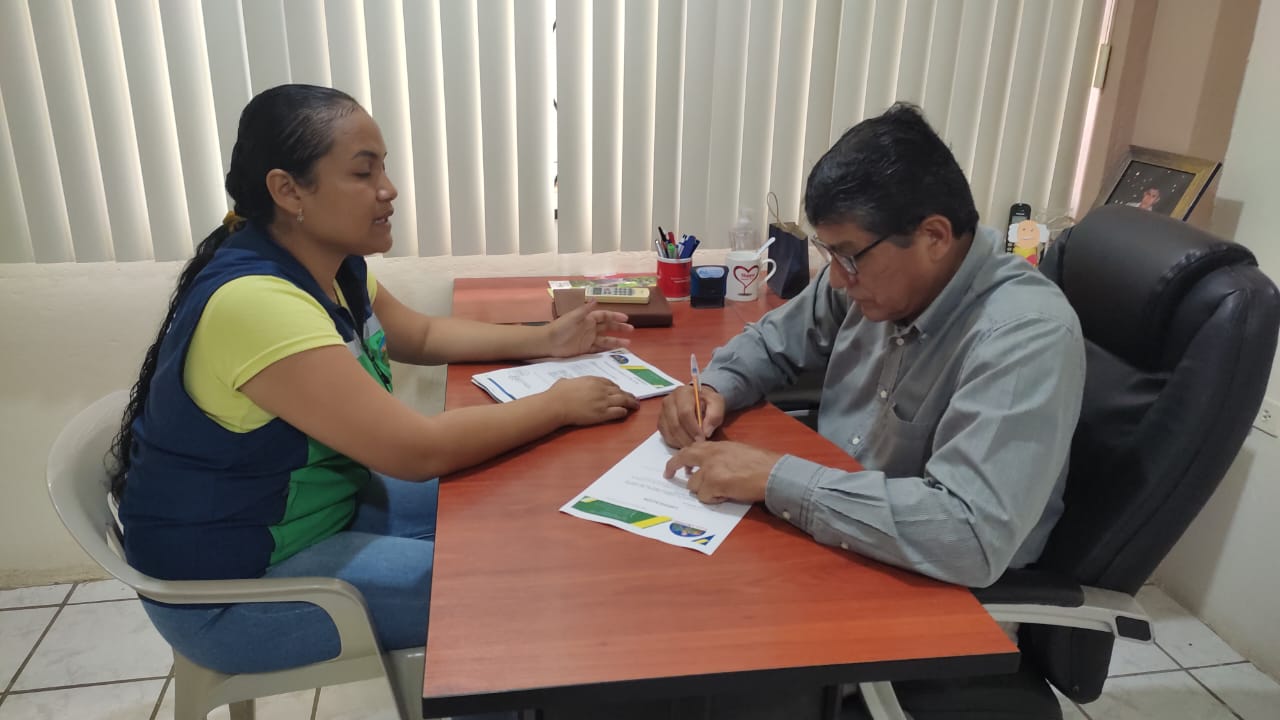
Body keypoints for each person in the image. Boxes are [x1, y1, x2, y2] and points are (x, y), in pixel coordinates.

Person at [109, 84, 640, 678]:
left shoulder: (331, 265)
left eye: (383, 167)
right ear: (288, 191)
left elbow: (422, 336)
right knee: (498, 592)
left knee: (519, 502)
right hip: (232, 590)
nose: (389, 189)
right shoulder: (257, 303)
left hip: (323, 510)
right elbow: (417, 451)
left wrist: (544, 340)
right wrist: (557, 403)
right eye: (363, 173)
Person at [658, 103, 1086, 589]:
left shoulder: (1025, 334)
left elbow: (968, 536)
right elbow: (772, 341)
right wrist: (714, 387)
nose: (837, 280)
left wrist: (776, 478)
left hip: (936, 586)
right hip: (840, 530)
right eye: (830, 255)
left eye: (848, 257)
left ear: (934, 236)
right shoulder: (873, 279)